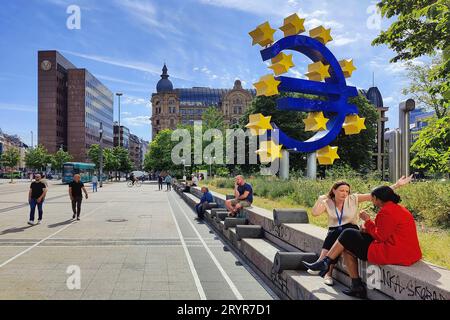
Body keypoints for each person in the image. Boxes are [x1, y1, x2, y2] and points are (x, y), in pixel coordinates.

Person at [304, 185, 422, 299]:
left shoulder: (386, 212)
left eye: (372, 198)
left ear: (377, 199)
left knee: (348, 233)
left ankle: (326, 263)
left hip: (393, 252)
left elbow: (380, 236)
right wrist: (367, 229)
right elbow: (386, 230)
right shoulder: (399, 209)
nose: (372, 201)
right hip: (404, 249)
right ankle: (353, 284)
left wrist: (367, 220)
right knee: (347, 243)